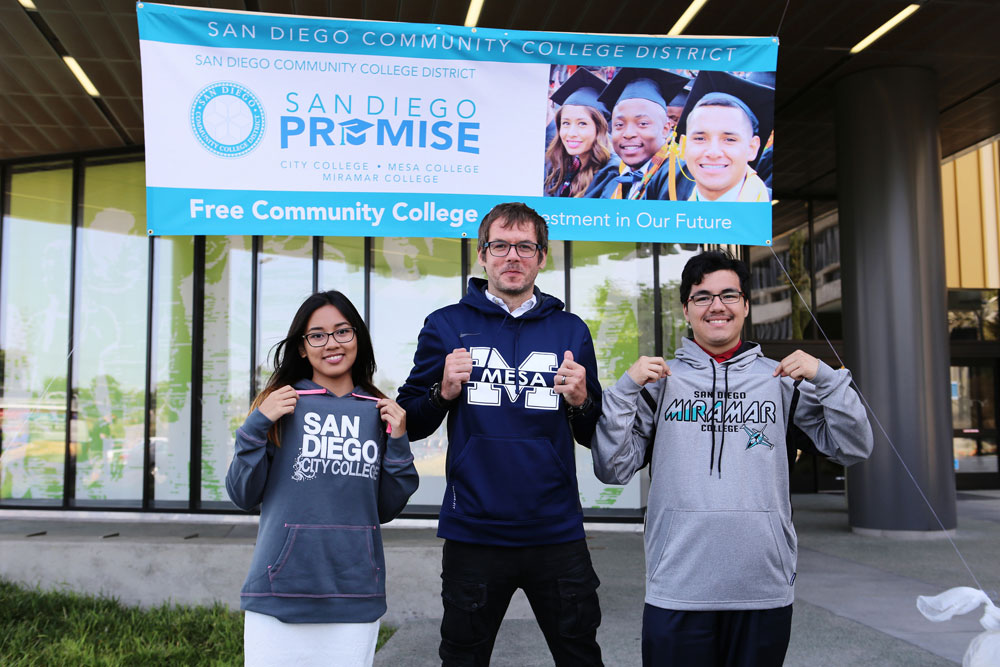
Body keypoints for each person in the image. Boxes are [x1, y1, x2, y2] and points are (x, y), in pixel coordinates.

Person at [590, 250, 874, 667]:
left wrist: (828, 379)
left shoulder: (782, 381)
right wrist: (623, 390)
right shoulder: (659, 382)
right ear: (686, 309)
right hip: (677, 586)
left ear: (745, 305)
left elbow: (853, 447)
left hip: (762, 588)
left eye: (728, 295)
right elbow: (611, 468)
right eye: (702, 297)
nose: (716, 306)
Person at [397, 202, 604, 666]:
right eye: (501, 246)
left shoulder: (570, 330)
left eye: (525, 246)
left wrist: (582, 402)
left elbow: (595, 433)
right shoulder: (446, 325)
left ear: (543, 257)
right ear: (483, 255)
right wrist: (443, 390)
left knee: (580, 654)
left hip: (555, 531)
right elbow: (411, 421)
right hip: (475, 531)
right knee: (463, 658)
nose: (513, 256)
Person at [226, 290, 418, 667]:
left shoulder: (378, 411)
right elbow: (242, 494)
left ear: (358, 339)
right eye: (317, 335)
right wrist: (255, 425)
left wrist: (398, 441)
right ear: (302, 347)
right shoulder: (280, 404)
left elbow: (386, 507)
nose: (331, 344)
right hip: (278, 590)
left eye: (342, 331)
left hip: (354, 593)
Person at [585, 67, 688, 200]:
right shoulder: (614, 180)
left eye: (643, 124)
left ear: (665, 129)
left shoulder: (677, 178)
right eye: (619, 125)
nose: (628, 134)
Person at [673, 71, 774, 202]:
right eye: (700, 138)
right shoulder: (667, 211)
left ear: (752, 148)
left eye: (729, 140)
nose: (713, 153)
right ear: (683, 146)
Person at [544, 68, 614, 197]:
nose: (571, 133)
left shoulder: (612, 174)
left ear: (599, 128)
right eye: (566, 123)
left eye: (582, 123)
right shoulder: (563, 165)